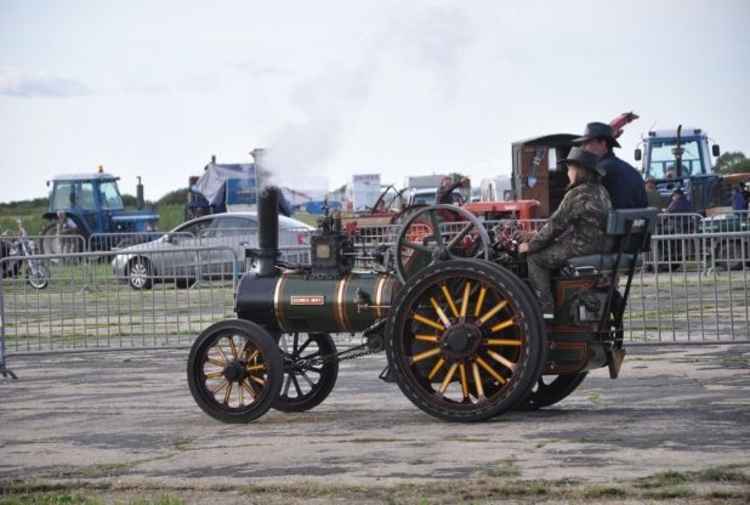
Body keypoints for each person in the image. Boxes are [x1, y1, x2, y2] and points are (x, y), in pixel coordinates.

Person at [518, 147, 612, 318]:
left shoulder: (577, 193)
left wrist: (531, 245)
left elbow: (556, 225)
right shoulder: (601, 191)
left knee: (535, 258)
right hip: (601, 245)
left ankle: (545, 311)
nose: (567, 173)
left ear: (580, 171)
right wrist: (540, 236)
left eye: (570, 169)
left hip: (583, 246)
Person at [573, 122, 648, 209]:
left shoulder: (598, 171)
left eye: (587, 143)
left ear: (603, 143)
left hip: (611, 222)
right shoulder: (632, 171)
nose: (584, 148)